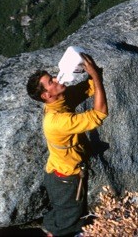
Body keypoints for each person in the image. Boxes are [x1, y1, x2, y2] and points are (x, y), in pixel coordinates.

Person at [26, 53, 107, 237]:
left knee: (63, 214)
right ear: (46, 95)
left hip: (58, 173)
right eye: (51, 82)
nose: (56, 79)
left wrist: (91, 70)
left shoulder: (60, 101)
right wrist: (94, 75)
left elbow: (88, 88)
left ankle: (50, 229)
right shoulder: (56, 120)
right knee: (71, 222)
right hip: (66, 179)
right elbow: (99, 114)